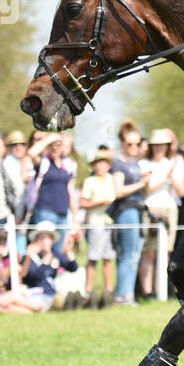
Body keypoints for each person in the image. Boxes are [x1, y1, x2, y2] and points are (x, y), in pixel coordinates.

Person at [140, 129, 184, 298]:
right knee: (149, 252)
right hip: (150, 207)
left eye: (163, 144)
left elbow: (182, 191)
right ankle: (147, 291)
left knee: (165, 253)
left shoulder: (175, 162)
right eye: (156, 144)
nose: (159, 147)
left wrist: (172, 177)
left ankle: (161, 291)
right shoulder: (144, 164)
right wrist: (166, 175)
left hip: (170, 207)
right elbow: (148, 189)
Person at [109, 124, 150, 305]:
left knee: (135, 255)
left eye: (136, 144)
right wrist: (142, 184)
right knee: (127, 255)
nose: (133, 147)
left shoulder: (136, 163)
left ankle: (128, 295)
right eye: (129, 144)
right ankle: (121, 294)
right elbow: (118, 191)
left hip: (139, 209)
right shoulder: (118, 163)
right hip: (126, 210)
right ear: (122, 143)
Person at [25, 133, 77, 262]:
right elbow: (30, 154)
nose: (55, 148)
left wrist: (75, 219)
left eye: (58, 145)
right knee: (44, 250)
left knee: (58, 253)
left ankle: (51, 280)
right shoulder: (43, 163)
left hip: (63, 214)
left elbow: (72, 193)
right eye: (52, 146)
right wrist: (48, 139)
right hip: (45, 212)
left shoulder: (68, 166)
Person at [21, 222, 85, 311]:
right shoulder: (31, 257)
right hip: (36, 294)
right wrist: (45, 263)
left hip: (52, 293)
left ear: (52, 241)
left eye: (47, 238)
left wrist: (68, 252)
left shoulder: (55, 255)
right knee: (49, 302)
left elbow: (73, 268)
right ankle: (61, 305)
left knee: (60, 297)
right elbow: (32, 277)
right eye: (41, 238)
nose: (44, 241)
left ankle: (74, 302)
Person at [79, 152, 117, 300]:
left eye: (103, 163)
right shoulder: (90, 181)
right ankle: (88, 291)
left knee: (108, 258)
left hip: (110, 223)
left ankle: (108, 291)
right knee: (93, 258)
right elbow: (83, 203)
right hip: (96, 223)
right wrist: (99, 203)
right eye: (97, 163)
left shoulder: (111, 180)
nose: (100, 166)